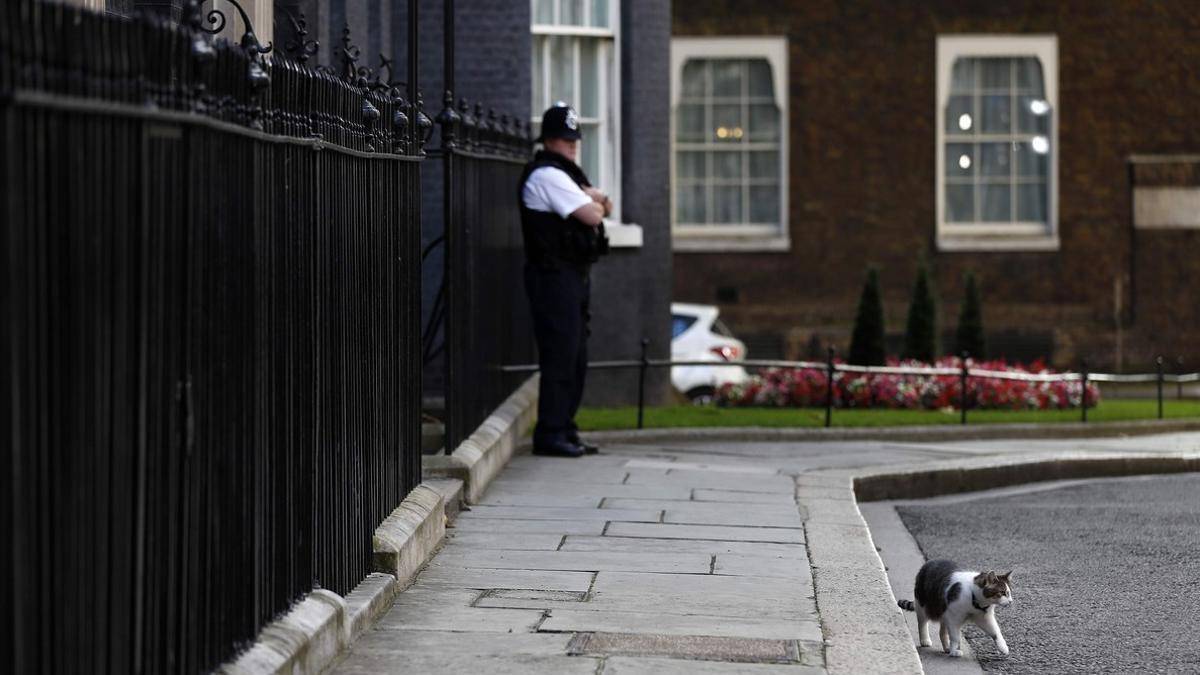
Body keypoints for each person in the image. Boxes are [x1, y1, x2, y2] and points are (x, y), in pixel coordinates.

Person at [518, 103, 612, 458]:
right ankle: (551, 432)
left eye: (573, 138)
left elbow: (605, 207)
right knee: (560, 353)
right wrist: (595, 199)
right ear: (549, 140)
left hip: (571, 275)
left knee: (576, 354)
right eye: (562, 138)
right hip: (552, 275)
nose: (571, 145)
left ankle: (565, 428)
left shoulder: (566, 174)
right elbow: (592, 215)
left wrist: (595, 199)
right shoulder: (548, 175)